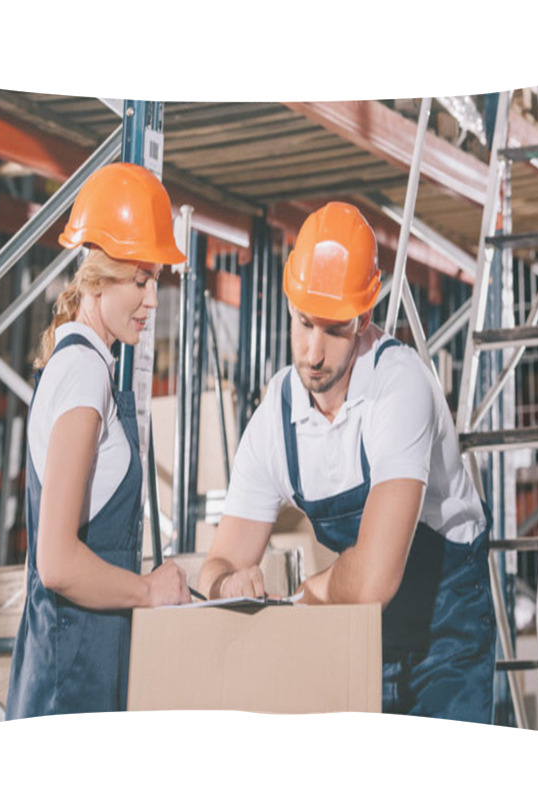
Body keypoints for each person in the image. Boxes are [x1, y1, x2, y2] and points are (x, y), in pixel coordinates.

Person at [198, 201, 496, 723]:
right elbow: (218, 566)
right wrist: (229, 585)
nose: (313, 353)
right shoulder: (277, 418)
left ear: (365, 318)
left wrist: (310, 591)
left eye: (334, 331)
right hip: (355, 636)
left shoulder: (399, 388)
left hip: (445, 634)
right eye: (304, 324)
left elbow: (375, 579)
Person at [6, 162, 191, 720]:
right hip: (69, 684)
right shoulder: (84, 375)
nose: (153, 299)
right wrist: (147, 590)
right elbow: (57, 562)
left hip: (81, 671)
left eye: (155, 279)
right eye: (140, 280)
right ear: (96, 278)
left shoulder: (87, 370)